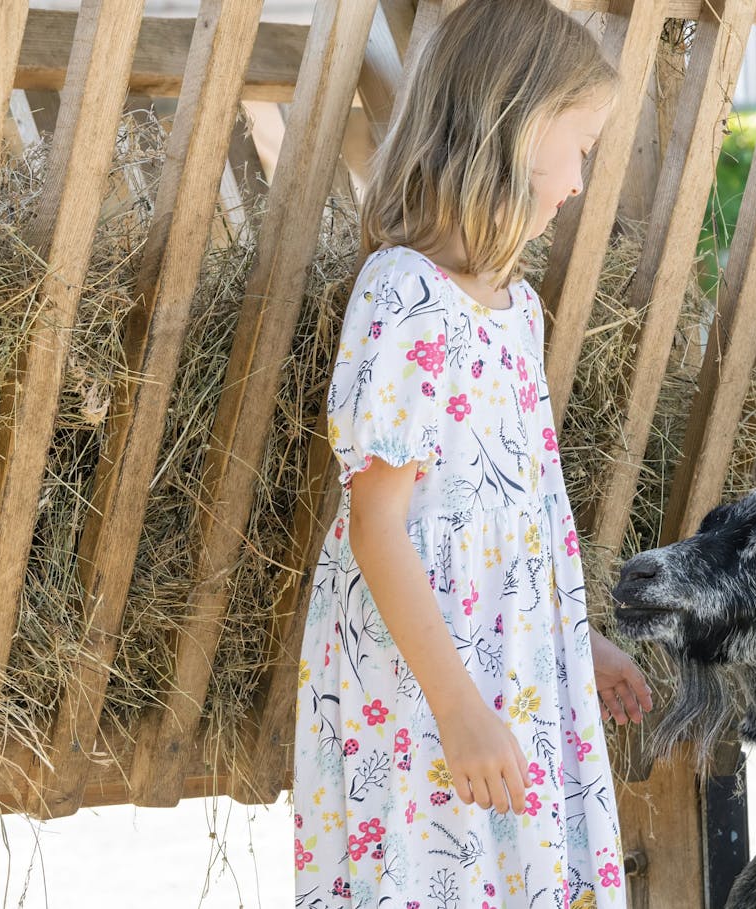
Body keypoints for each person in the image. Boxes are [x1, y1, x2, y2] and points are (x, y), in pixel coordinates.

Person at [291, 3, 651, 906]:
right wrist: (458, 711)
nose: (578, 181)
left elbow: (511, 518)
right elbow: (379, 529)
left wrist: (575, 638)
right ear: (515, 131)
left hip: (513, 677)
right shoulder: (404, 297)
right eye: (579, 145)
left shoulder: (515, 311)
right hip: (430, 691)